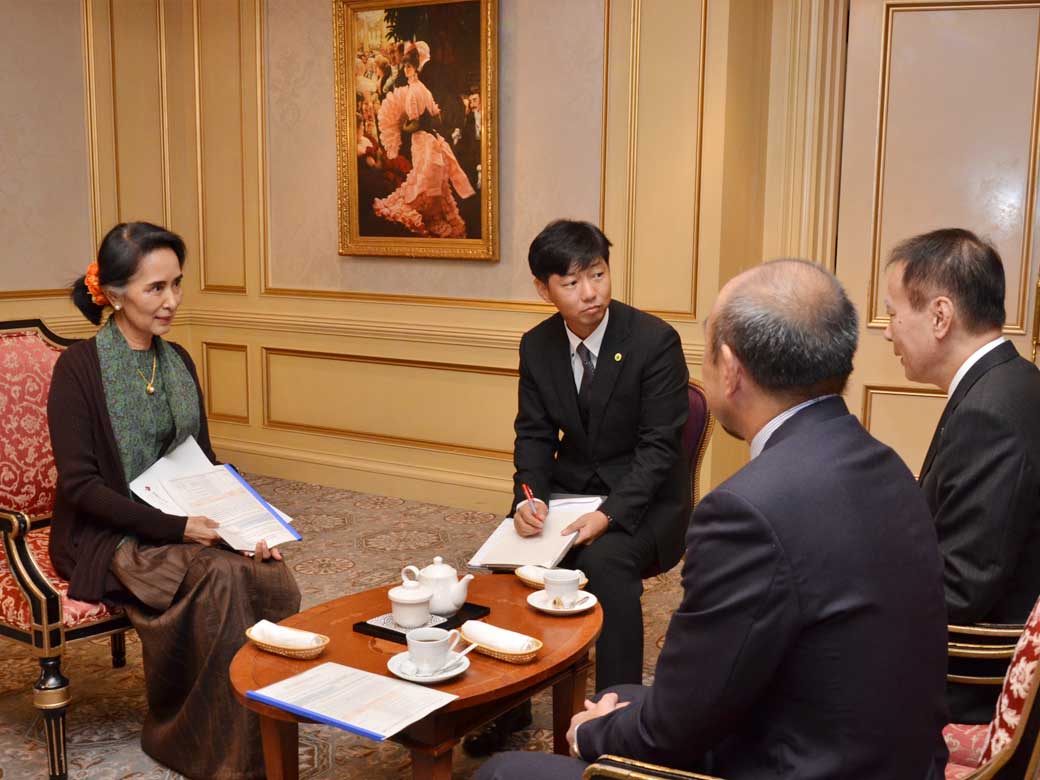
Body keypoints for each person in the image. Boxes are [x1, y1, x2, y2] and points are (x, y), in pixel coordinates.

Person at [477, 259, 950, 780]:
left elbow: (671, 733)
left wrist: (592, 734)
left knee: (504, 772)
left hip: (794, 760)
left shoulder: (745, 512)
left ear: (730, 367)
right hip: (884, 751)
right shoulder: (885, 462)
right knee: (618, 694)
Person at [48, 222, 301, 780]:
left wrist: (246, 527)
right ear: (114, 293)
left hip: (185, 522)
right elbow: (81, 487)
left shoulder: (178, 360)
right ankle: (202, 747)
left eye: (177, 284)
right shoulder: (79, 371)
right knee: (222, 581)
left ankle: (258, 732)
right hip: (108, 534)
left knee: (266, 576)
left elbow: (204, 465)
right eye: (154, 288)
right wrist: (177, 527)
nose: (171, 301)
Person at [465, 220, 691, 756]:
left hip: (647, 500)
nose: (590, 292)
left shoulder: (654, 341)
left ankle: (614, 721)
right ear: (544, 290)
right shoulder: (538, 344)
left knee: (606, 564)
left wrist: (609, 515)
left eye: (597, 274)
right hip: (568, 490)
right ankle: (505, 706)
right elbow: (534, 435)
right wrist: (528, 499)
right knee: (507, 564)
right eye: (571, 282)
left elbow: (661, 449)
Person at [884, 228, 1040, 723]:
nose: (887, 331)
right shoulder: (1012, 382)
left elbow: (961, 588)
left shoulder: (990, 413)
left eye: (892, 312)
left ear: (939, 316)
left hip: (969, 681)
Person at [373, 48, 475, 238]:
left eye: (409, 67)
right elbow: (437, 118)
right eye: (405, 67)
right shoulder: (424, 89)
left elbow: (416, 123)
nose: (406, 71)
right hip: (432, 139)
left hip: (421, 139)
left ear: (416, 68)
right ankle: (434, 213)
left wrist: (403, 127)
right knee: (430, 178)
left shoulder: (413, 91)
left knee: (423, 177)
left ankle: (428, 213)